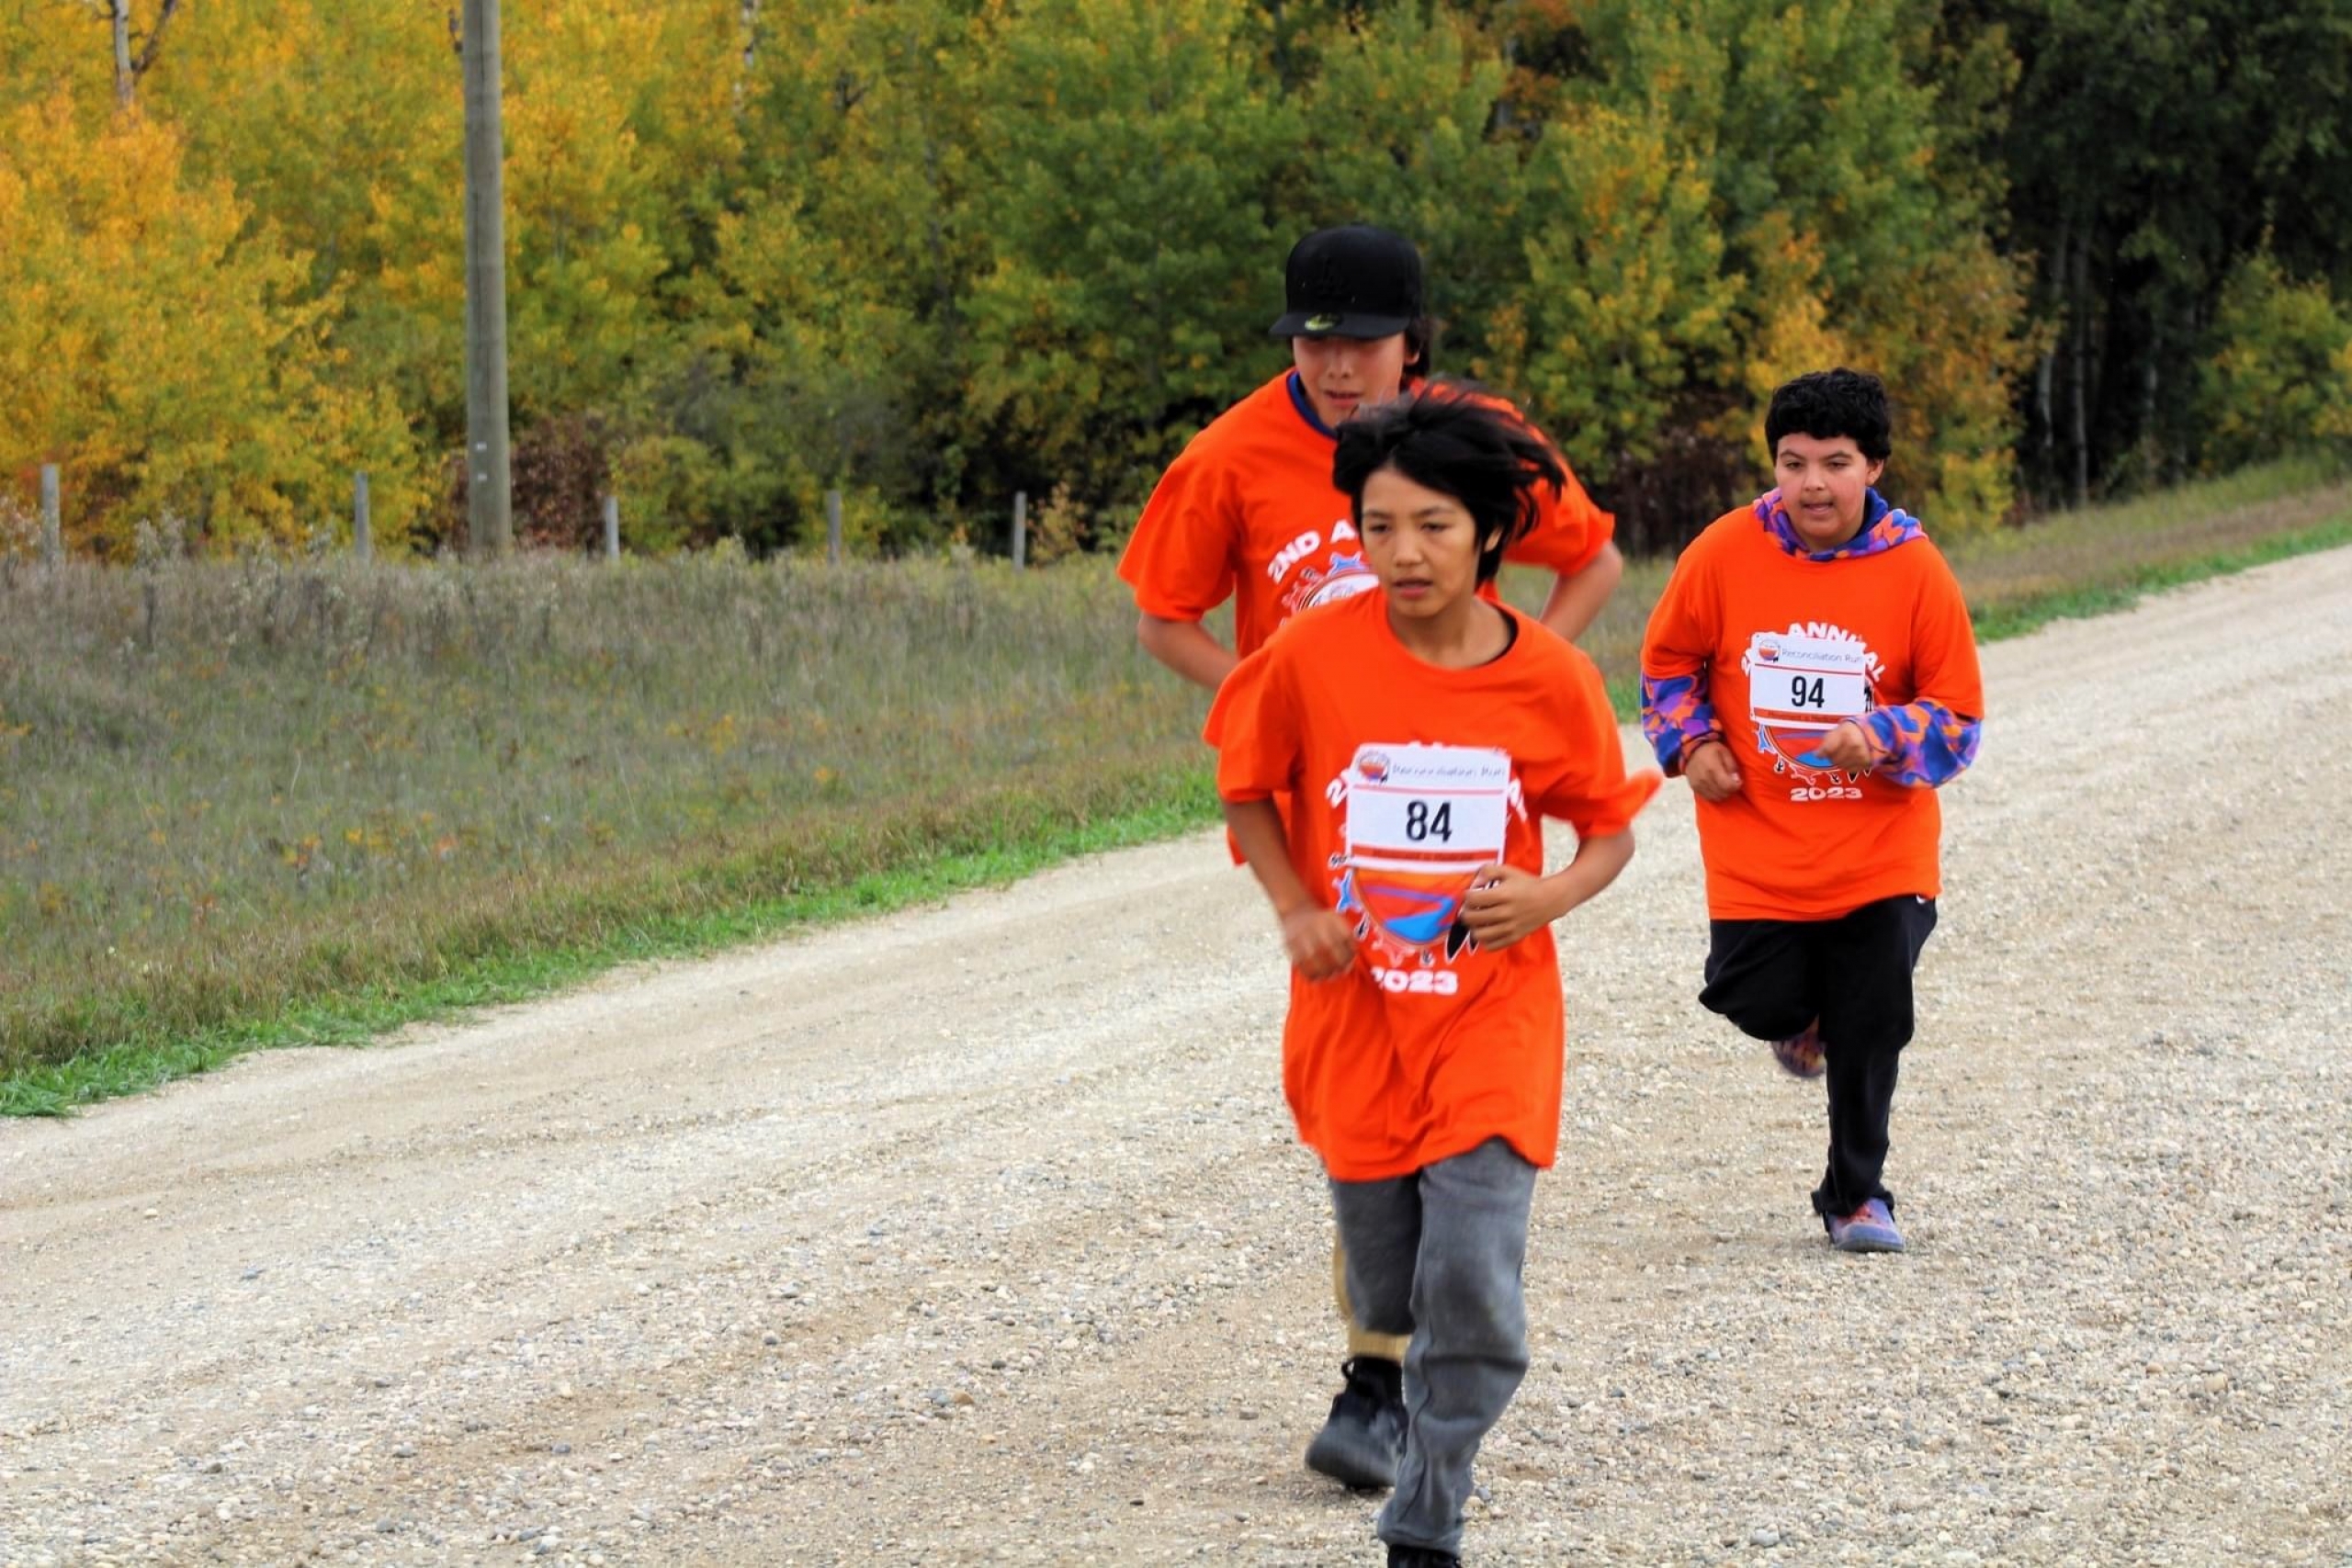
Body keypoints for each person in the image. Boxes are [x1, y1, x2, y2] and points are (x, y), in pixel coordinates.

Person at [1119, 221, 1623, 1491]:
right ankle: (1379, 1355)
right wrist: (1283, 697)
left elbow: (1597, 553)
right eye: (1314, 341)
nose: (1340, 367)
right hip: (1326, 798)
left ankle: (1387, 1373)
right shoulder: (1230, 454)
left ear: (1418, 341)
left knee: (1448, 1059)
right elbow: (1160, 615)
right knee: (1359, 1071)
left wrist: (1510, 673)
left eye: (1366, 343)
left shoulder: (1475, 442)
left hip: (1462, 801)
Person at [1207, 384, 1657, 1567]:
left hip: (1490, 1015)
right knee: (1390, 1281)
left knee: (1474, 1281)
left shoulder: (1548, 676)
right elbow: (1244, 784)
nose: (1401, 554)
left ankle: (1431, 1503)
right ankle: (1397, 1388)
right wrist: (1296, 907)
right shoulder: (1309, 655)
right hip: (1355, 1020)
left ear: (1491, 536)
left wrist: (1549, 895)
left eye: (1433, 526)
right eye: (1376, 527)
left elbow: (1608, 830)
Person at [1638, 367, 1984, 1254]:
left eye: (1835, 463)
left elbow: (1959, 721)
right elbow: (1667, 664)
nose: (1813, 485)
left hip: (1880, 851)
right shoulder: (1721, 552)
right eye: (1794, 464)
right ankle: (1805, 1020)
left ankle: (1858, 1195)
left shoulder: (1916, 570)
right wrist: (1693, 742)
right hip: (1760, 849)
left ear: (1874, 466)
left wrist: (1884, 733)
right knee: (1751, 994)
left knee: (1874, 1018)